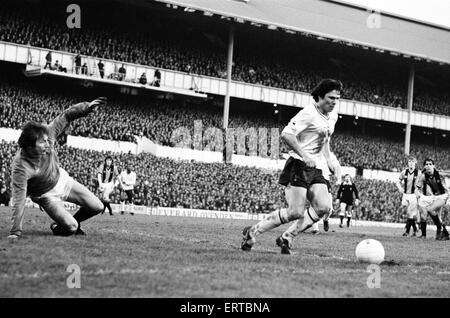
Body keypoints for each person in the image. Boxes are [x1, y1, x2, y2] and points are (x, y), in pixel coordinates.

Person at [240, 79, 343, 254]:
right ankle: (252, 231)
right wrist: (305, 155)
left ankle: (287, 237)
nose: (334, 102)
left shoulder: (332, 115)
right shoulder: (309, 113)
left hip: (316, 167)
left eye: (337, 98)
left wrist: (330, 161)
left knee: (324, 207)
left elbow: (325, 140)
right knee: (295, 212)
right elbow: (286, 134)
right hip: (298, 164)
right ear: (319, 96)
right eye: (330, 97)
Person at [7, 97, 108, 240]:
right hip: (46, 196)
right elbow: (19, 200)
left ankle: (73, 221)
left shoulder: (48, 133)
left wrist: (87, 107)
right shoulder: (20, 167)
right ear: (29, 147)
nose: (48, 144)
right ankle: (58, 226)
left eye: (47, 140)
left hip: (61, 179)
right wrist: (15, 232)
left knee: (97, 206)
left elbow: (66, 115)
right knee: (71, 228)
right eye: (42, 142)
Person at [415, 158, 449, 240]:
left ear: (434, 166)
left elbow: (446, 188)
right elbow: (417, 188)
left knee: (430, 209)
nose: (428, 166)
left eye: (430, 164)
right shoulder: (423, 176)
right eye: (426, 164)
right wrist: (417, 193)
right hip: (433, 197)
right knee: (424, 214)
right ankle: (425, 235)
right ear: (424, 166)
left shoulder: (439, 175)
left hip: (443, 196)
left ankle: (441, 229)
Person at [396, 156, 421, 236]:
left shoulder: (419, 173)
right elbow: (397, 181)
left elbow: (422, 183)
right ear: (408, 163)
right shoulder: (404, 172)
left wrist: (419, 192)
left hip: (413, 195)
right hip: (405, 194)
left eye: (412, 162)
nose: (411, 163)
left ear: (415, 163)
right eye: (409, 161)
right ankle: (415, 229)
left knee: (410, 213)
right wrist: (400, 188)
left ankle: (407, 231)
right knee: (406, 211)